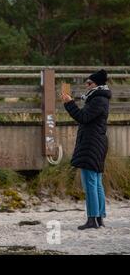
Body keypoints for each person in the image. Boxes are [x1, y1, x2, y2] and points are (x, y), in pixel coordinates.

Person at [61, 69, 111, 230]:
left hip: (92, 144)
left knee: (91, 183)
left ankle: (92, 220)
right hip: (96, 143)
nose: (86, 86)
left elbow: (83, 117)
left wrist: (69, 103)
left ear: (97, 84)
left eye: (89, 83)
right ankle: (99, 219)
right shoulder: (99, 98)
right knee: (96, 182)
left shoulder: (98, 100)